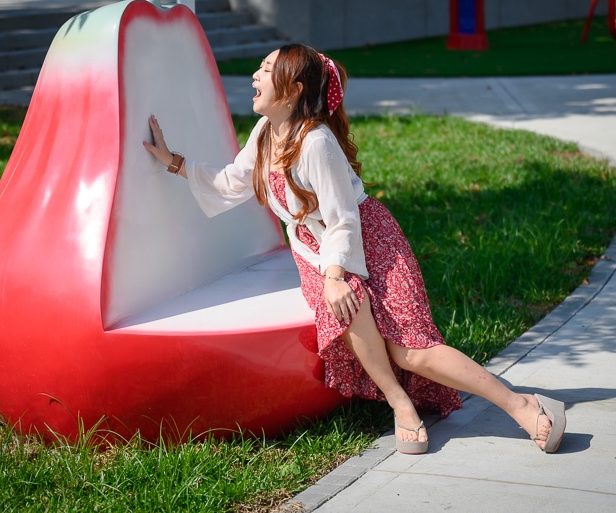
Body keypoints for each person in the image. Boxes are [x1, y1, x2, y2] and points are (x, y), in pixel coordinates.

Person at [143, 43, 566, 454]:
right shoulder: (266, 133)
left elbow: (344, 217)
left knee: (411, 350)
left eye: (267, 69)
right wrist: (173, 162)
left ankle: (521, 404)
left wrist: (335, 277)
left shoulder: (316, 142)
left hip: (370, 240)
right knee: (351, 309)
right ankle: (401, 405)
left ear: (292, 90)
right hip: (317, 250)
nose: (255, 75)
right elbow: (232, 182)